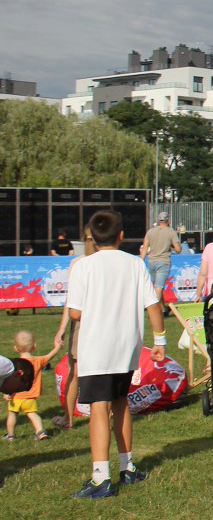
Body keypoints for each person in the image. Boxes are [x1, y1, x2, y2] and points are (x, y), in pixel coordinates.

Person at [66, 210, 167, 499]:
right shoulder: (135, 263)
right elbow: (153, 305)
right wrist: (159, 340)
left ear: (91, 237)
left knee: (99, 408)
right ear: (121, 235)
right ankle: (128, 467)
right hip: (127, 345)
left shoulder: (83, 266)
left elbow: (75, 313)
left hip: (96, 347)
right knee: (121, 403)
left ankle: (101, 478)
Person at [52, 223, 97, 430]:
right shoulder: (109, 263)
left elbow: (72, 302)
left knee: (76, 371)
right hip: (99, 323)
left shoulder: (79, 264)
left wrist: (62, 328)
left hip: (82, 323)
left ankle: (69, 419)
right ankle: (103, 414)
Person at [4, 330, 64, 441]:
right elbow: (50, 356)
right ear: (34, 346)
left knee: (12, 415)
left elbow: (10, 380)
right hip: (30, 398)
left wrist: (7, 392)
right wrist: (58, 347)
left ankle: (10, 436)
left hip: (16, 397)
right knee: (33, 414)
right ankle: (40, 432)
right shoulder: (38, 361)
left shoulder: (14, 364)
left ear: (16, 349)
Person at [140, 211, 181, 299]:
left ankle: (162, 310)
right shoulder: (171, 232)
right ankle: (153, 308)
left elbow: (144, 248)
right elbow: (178, 250)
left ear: (158, 221)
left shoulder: (150, 232)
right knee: (158, 288)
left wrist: (141, 261)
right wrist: (170, 245)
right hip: (163, 261)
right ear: (168, 221)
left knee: (157, 286)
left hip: (151, 262)